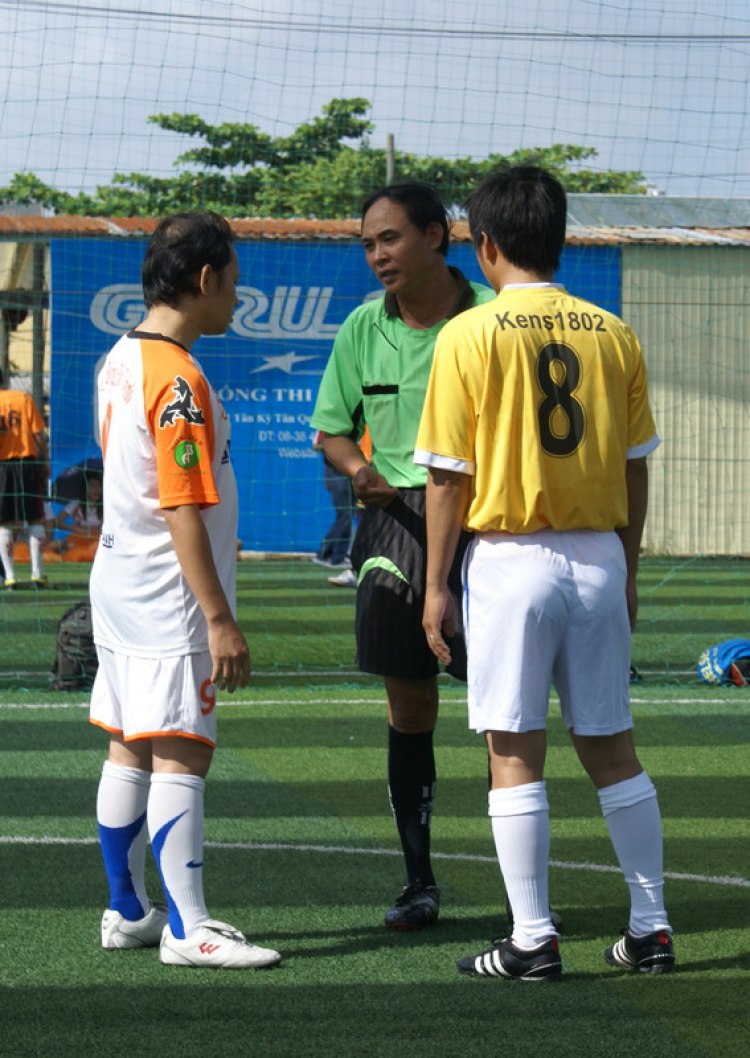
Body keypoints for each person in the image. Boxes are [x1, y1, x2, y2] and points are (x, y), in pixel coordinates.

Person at [417, 166, 674, 980]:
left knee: (515, 751)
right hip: (600, 553)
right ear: (560, 238)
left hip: (511, 558)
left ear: (484, 244)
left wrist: (434, 585)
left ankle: (532, 939)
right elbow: (636, 468)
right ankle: (652, 929)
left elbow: (447, 478)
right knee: (612, 747)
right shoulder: (613, 331)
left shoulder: (468, 333)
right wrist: (626, 568)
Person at [89, 210, 281, 970]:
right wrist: (219, 618)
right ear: (204, 282)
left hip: (118, 580)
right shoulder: (179, 376)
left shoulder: (120, 357)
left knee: (128, 748)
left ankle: (127, 908)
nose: (237, 297)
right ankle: (186, 927)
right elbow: (180, 504)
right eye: (233, 283)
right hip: (169, 595)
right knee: (182, 755)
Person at [311, 182, 495, 929]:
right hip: (393, 529)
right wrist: (357, 469)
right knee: (408, 704)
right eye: (367, 244)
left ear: (436, 237)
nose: (377, 255)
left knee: (502, 714)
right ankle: (419, 882)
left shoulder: (491, 316)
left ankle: (524, 890)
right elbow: (332, 428)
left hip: (487, 521)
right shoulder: (361, 327)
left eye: (389, 239)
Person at [0, 366, 51, 589]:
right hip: (26, 465)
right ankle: (37, 575)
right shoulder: (22, 398)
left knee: (5, 524)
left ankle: (10, 577)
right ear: (5, 379)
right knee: (35, 519)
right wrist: (45, 461)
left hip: (2, 468)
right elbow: (39, 433)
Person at [313, 429, 355, 569]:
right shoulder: (327, 427)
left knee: (345, 516)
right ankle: (337, 557)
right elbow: (316, 445)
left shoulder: (358, 426)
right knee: (345, 515)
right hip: (336, 476)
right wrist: (339, 447)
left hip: (350, 475)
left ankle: (325, 554)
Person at [51, 471, 103, 561]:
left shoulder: (105, 505)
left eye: (99, 486)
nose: (97, 490)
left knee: (98, 549)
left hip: (97, 539)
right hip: (79, 537)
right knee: (70, 546)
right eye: (93, 486)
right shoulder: (76, 503)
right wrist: (74, 528)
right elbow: (57, 521)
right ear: (85, 487)